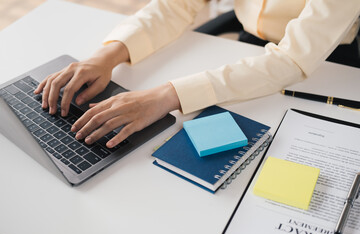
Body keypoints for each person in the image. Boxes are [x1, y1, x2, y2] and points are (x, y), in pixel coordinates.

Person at [34, 0, 360, 149]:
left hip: (329, 58)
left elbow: (291, 59)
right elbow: (175, 5)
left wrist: (165, 96)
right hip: (248, 40)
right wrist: (107, 56)